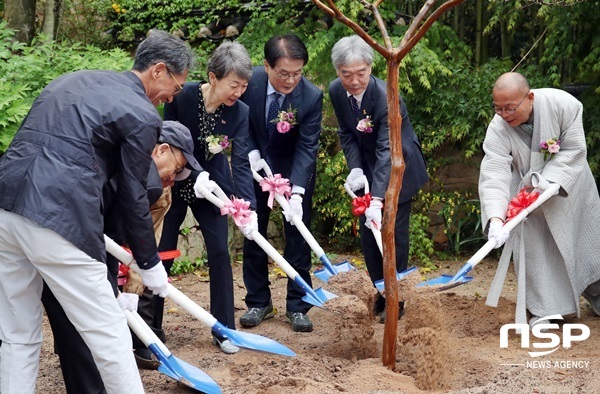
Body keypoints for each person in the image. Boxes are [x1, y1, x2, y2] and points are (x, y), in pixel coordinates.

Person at [0, 30, 194, 394]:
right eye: (176, 86)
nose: (171, 97)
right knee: (110, 335)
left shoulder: (72, 80)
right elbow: (134, 193)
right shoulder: (142, 113)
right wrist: (150, 264)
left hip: (5, 207)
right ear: (158, 70)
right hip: (58, 215)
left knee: (17, 335)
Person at [41, 120, 201, 393]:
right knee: (85, 322)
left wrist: (122, 287)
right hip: (64, 235)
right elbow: (111, 234)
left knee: (53, 319)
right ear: (161, 150)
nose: (173, 179)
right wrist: (111, 285)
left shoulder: (137, 171)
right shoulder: (142, 178)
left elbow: (116, 238)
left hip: (44, 227)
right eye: (175, 168)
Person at [157, 41, 256, 354]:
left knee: (219, 252)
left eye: (243, 86)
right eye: (233, 84)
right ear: (213, 78)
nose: (238, 92)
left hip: (211, 188)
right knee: (162, 251)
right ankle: (150, 325)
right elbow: (166, 136)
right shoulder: (182, 97)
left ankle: (224, 328)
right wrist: (186, 171)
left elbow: (239, 160)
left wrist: (245, 205)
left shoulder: (240, 112)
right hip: (173, 180)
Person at [480, 72, 600, 328]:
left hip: (570, 186)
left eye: (510, 107)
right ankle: (546, 309)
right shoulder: (497, 127)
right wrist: (496, 218)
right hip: (527, 194)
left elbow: (574, 148)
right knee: (535, 246)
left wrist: (550, 181)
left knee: (586, 243)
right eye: (498, 108)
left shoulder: (564, 104)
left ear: (529, 97)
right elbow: (495, 172)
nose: (504, 114)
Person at [328, 35, 429, 323]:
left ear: (371, 68)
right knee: (368, 235)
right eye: (346, 74)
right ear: (337, 72)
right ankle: (380, 291)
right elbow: (347, 133)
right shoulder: (336, 91)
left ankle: (398, 298)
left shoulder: (387, 96)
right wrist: (356, 169)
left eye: (361, 73)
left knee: (392, 233)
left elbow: (388, 148)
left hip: (399, 166)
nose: (354, 81)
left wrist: (378, 196)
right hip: (369, 169)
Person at [238, 34, 323, 333]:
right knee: (254, 233)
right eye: (283, 73)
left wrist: (297, 191)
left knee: (298, 236)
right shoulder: (250, 83)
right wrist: (248, 153)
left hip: (291, 170)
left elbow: (307, 147)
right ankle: (258, 302)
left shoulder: (311, 97)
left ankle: (298, 305)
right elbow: (240, 121)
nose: (290, 80)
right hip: (255, 166)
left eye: (297, 73)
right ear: (267, 66)